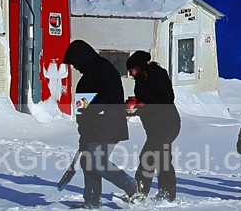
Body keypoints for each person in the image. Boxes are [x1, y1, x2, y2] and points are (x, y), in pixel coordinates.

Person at [63, 40, 140, 209]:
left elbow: (109, 93)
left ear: (82, 58)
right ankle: (91, 201)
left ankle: (132, 186)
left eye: (75, 63)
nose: (75, 67)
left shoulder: (103, 69)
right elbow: (82, 109)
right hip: (93, 127)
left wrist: (92, 109)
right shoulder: (89, 75)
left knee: (97, 162)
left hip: (108, 125)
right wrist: (82, 128)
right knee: (88, 162)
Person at [125, 50, 181, 202]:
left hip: (168, 124)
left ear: (139, 67)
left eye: (131, 70)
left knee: (147, 156)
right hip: (154, 127)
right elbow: (144, 104)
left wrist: (143, 105)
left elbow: (167, 99)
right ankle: (166, 194)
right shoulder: (140, 81)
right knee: (162, 158)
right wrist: (133, 108)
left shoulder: (158, 75)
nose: (130, 74)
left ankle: (140, 192)